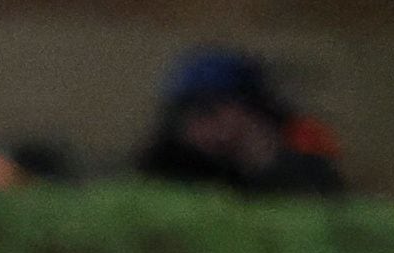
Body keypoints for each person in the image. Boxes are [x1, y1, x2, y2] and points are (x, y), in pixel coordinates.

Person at [133, 50, 341, 196]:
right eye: (183, 117)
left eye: (206, 111)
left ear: (247, 109)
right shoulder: (186, 171)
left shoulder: (308, 171)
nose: (192, 129)